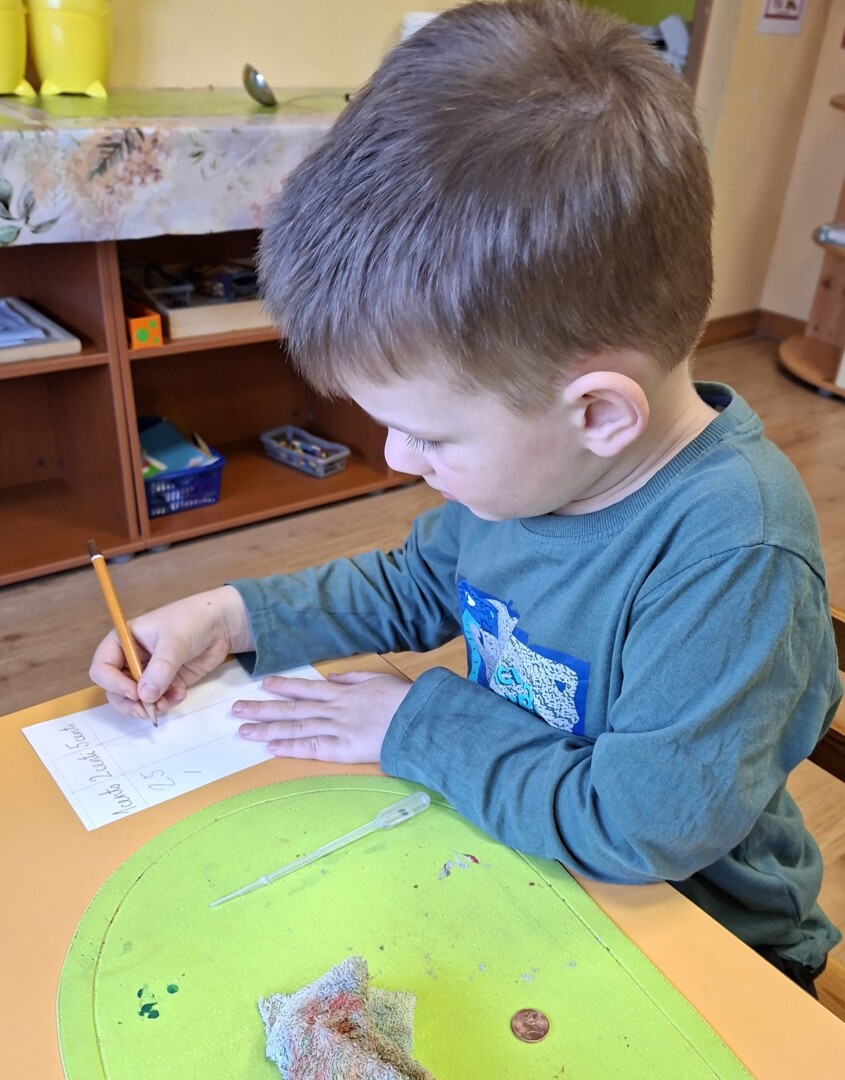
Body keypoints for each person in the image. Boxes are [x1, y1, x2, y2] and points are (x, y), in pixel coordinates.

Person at [91, 1, 842, 992]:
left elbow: (637, 828)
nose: (397, 456)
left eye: (432, 434)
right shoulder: (541, 471)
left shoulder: (732, 556)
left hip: (703, 946)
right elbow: (413, 584)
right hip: (531, 862)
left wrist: (414, 724)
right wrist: (227, 617)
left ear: (598, 413)